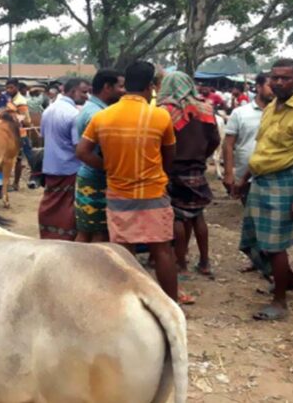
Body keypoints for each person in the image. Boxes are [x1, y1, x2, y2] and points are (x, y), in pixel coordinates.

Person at [76, 61, 181, 303]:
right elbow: (169, 156)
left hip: (118, 192)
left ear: (127, 85)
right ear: (151, 86)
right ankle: (172, 304)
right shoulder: (160, 116)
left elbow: (82, 152)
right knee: (162, 250)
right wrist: (159, 175)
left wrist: (108, 167)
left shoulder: (103, 117)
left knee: (124, 252)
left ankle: (127, 304)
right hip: (153, 191)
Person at [231, 59, 293, 321]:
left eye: (286, 78)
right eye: (275, 78)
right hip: (260, 180)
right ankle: (290, 279)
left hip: (285, 182)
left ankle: (280, 302)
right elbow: (262, 148)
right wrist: (243, 179)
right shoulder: (272, 106)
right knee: (251, 243)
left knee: (275, 246)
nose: (279, 82)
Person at [159, 72, 221, 277]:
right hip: (197, 168)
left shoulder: (165, 111)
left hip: (174, 168)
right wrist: (203, 156)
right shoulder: (206, 108)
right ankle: (205, 262)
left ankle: (181, 262)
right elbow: (215, 140)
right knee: (198, 216)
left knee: (176, 216)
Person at [74, 69, 124, 243]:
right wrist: (111, 168)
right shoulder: (98, 115)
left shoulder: (92, 109)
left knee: (87, 230)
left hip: (88, 178)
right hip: (96, 180)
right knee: (99, 234)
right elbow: (84, 152)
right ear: (107, 87)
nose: (124, 91)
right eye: (121, 86)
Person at [38, 78, 87, 241]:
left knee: (50, 203)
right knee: (67, 207)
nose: (86, 96)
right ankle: (64, 240)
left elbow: (43, 137)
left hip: (51, 166)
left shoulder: (48, 111)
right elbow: (78, 147)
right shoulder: (74, 114)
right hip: (70, 167)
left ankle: (48, 235)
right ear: (73, 91)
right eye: (84, 92)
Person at [223, 73, 273, 201]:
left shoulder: (282, 113)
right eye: (269, 86)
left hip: (274, 175)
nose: (274, 89)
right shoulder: (240, 113)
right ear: (258, 87)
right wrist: (228, 174)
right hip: (245, 178)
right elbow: (228, 144)